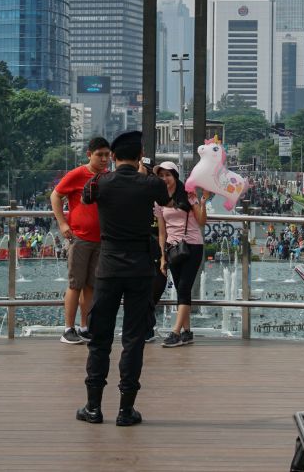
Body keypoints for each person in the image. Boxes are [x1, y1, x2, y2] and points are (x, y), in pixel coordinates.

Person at [77, 131, 172, 427]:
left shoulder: (101, 182)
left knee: (99, 339)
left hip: (108, 269)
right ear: (140, 155)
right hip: (140, 269)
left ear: (114, 157)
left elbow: (85, 196)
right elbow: (166, 196)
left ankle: (93, 408)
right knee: (133, 339)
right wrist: (143, 171)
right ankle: (126, 410)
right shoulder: (149, 183)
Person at [50, 137, 111, 345]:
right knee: (75, 283)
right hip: (80, 237)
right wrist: (62, 224)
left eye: (106, 155)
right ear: (89, 155)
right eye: (99, 155)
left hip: (100, 239)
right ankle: (68, 328)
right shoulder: (78, 174)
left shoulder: (107, 176)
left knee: (91, 285)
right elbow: (55, 196)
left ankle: (85, 327)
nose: (104, 159)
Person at [153, 161, 209, 348]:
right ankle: (187, 332)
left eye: (168, 175)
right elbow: (162, 231)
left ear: (175, 176)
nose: (164, 179)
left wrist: (202, 201)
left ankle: (175, 332)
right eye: (161, 176)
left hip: (192, 246)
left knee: (184, 288)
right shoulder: (158, 199)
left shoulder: (187, 195)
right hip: (172, 248)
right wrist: (162, 256)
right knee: (180, 288)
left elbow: (201, 221)